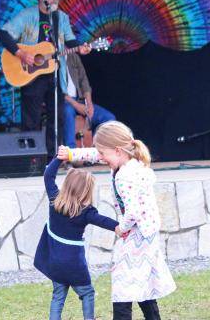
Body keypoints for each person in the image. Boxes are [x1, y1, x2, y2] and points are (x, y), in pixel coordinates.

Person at [60, 121, 176, 320]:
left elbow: (132, 211)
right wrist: (70, 154)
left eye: (104, 154)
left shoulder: (125, 176)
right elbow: (95, 154)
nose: (101, 159)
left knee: (123, 283)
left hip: (137, 233)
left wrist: (121, 228)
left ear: (117, 150)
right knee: (141, 281)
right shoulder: (128, 160)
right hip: (146, 233)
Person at [0, 0, 90, 157]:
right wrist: (21, 54)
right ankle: (31, 158)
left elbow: (70, 41)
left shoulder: (61, 18)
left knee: (57, 117)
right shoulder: (27, 15)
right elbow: (3, 33)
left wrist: (81, 47)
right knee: (31, 117)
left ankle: (53, 157)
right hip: (30, 73)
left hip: (54, 72)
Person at [34, 145, 121, 320]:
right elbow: (103, 221)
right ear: (86, 191)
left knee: (58, 295)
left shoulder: (55, 200)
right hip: (74, 265)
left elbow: (48, 175)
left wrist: (60, 158)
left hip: (55, 262)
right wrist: (120, 226)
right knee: (87, 293)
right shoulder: (86, 212)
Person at [64, 52, 116, 148]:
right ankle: (71, 151)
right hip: (64, 102)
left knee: (108, 118)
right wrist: (76, 105)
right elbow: (56, 90)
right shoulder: (52, 60)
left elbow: (84, 82)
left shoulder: (73, 56)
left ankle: (99, 149)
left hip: (79, 99)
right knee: (67, 111)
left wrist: (89, 104)